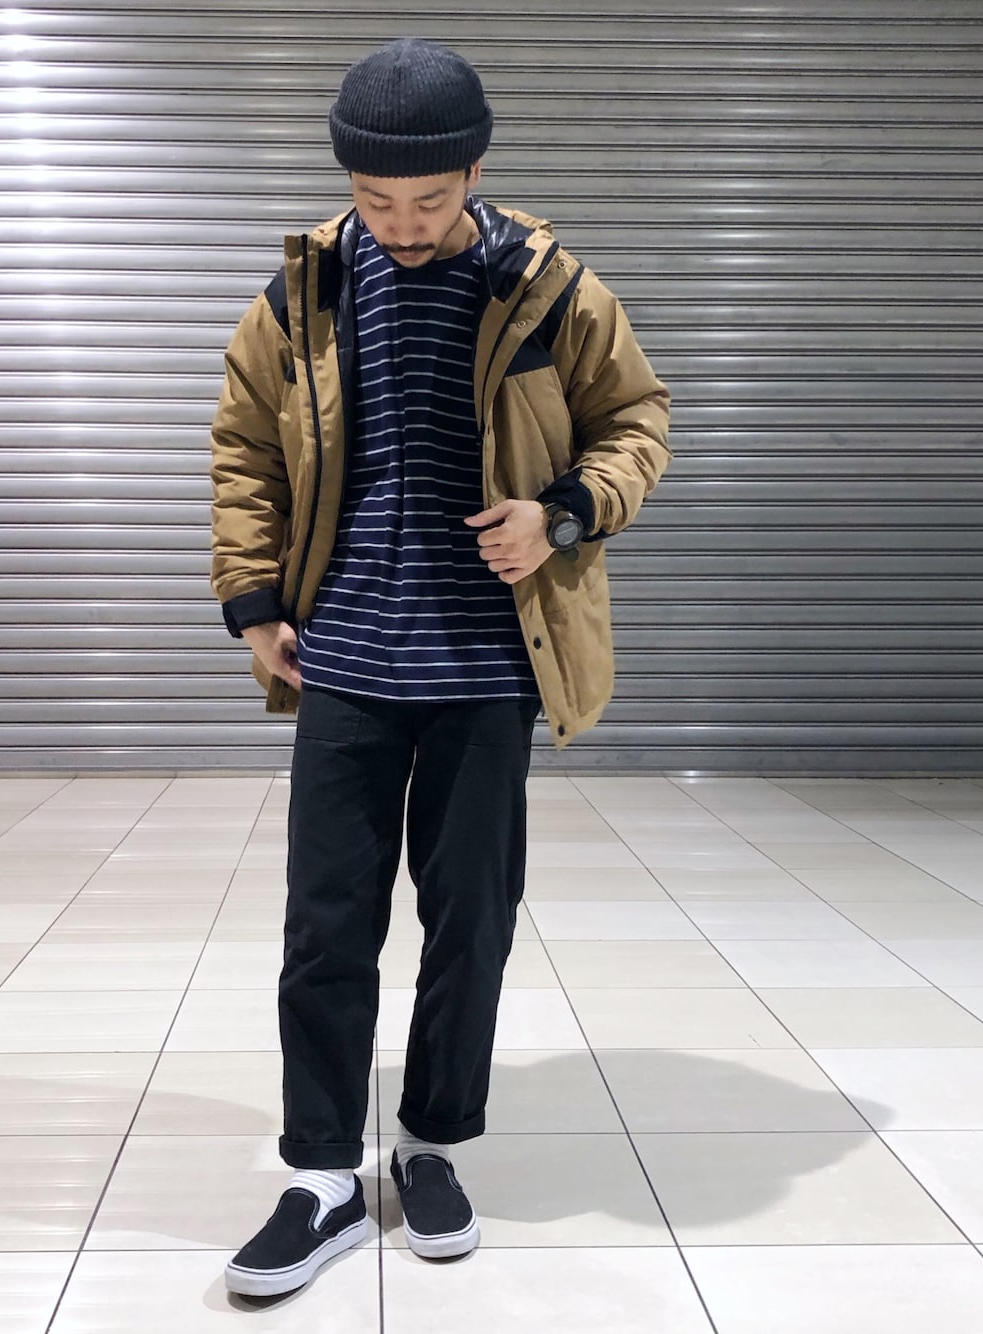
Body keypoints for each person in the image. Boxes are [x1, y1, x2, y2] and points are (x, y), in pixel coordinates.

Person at [209, 36, 671, 1298]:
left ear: (474, 171)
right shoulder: (305, 289)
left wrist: (561, 512)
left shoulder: (552, 288)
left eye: (427, 199)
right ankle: (319, 1172)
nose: (402, 225)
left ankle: (430, 1145)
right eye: (376, 201)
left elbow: (638, 420)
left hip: (485, 663)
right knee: (326, 922)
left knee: (470, 920)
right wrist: (251, 602)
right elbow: (245, 444)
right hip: (347, 657)